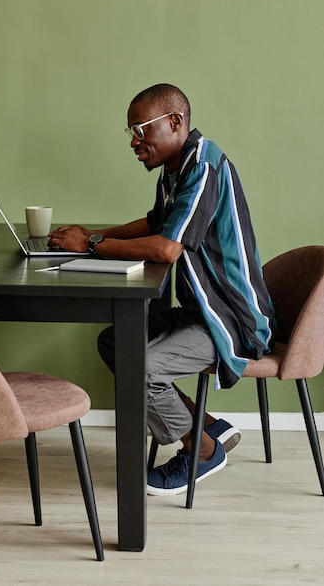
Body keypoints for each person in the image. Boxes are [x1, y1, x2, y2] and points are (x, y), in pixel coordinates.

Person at [48, 83, 276, 497]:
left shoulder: (204, 167)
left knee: (143, 367)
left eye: (141, 129)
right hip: (199, 311)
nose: (134, 142)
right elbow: (156, 223)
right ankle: (205, 424)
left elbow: (167, 249)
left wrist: (92, 246)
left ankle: (202, 450)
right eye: (130, 132)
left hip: (229, 320)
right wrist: (91, 233)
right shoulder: (176, 168)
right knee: (117, 340)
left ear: (175, 122)